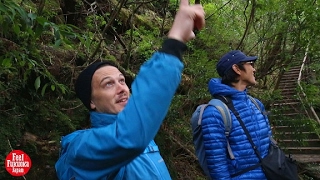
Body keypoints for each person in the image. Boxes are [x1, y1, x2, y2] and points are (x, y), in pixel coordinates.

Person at [54, 0, 205, 179]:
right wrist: (175, 41)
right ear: (91, 102)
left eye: (122, 81)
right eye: (108, 84)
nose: (122, 89)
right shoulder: (82, 149)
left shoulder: (145, 138)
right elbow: (127, 138)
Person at [201, 50, 272, 179]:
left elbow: (269, 145)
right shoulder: (215, 113)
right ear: (237, 69)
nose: (254, 69)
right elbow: (217, 167)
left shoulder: (256, 104)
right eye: (250, 64)